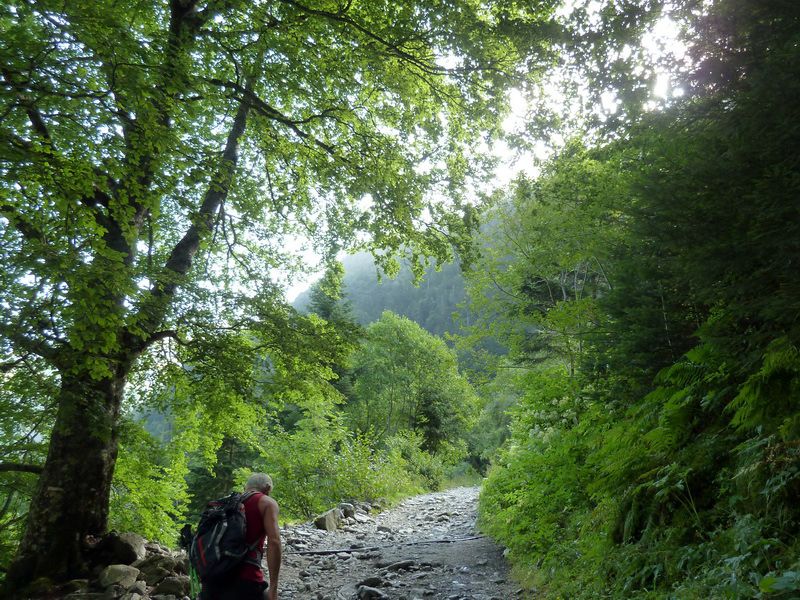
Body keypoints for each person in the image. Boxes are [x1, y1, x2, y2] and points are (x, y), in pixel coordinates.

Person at [199, 473, 282, 600]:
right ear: (267, 488)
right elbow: (274, 542)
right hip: (245, 580)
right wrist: (273, 588)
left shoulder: (225, 504)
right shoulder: (266, 502)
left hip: (212, 580)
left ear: (246, 487)